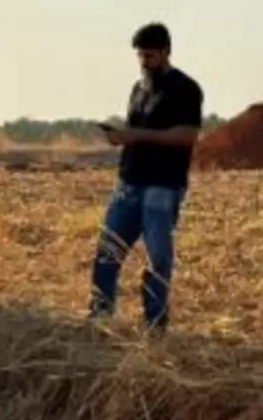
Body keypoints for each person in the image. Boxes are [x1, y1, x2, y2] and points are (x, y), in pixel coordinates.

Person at [88, 22, 204, 335]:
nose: (144, 62)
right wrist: (121, 136)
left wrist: (134, 135)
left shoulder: (186, 89)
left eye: (150, 56)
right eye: (140, 56)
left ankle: (154, 326)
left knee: (158, 260)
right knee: (106, 253)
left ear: (167, 52)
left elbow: (187, 136)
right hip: (129, 183)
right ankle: (100, 319)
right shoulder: (138, 89)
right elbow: (137, 132)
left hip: (162, 186)